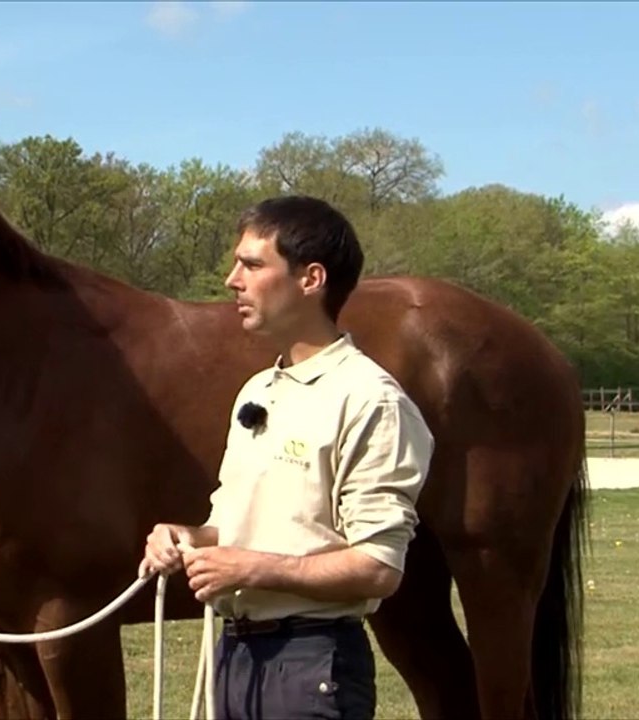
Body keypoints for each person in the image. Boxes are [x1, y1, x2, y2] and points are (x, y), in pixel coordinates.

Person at [140, 195, 434, 720]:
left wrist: (249, 568)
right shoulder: (259, 390)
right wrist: (186, 537)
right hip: (233, 658)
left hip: (311, 664)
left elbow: (378, 568)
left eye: (252, 265)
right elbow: (233, 527)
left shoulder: (370, 400)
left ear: (310, 279)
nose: (233, 280)